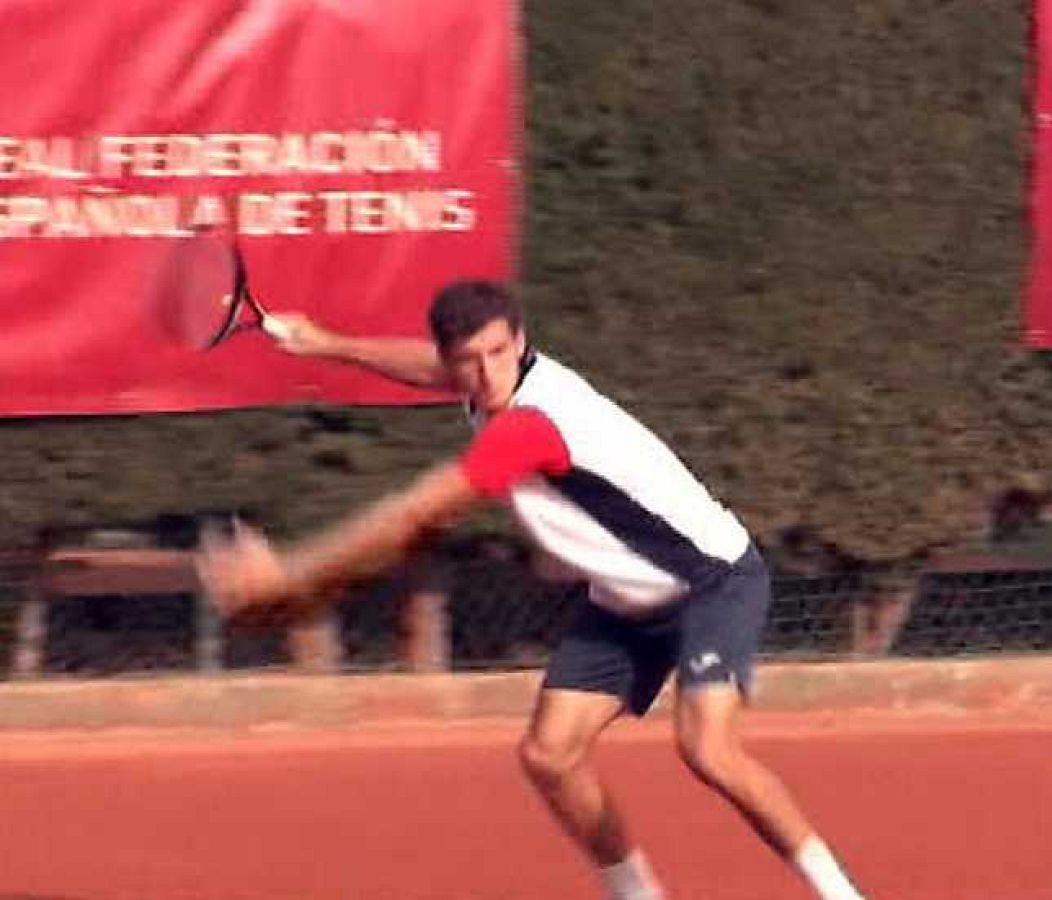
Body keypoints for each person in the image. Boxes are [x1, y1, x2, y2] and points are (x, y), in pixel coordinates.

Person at [196, 280, 867, 900]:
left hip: (711, 580)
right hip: (626, 600)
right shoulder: (486, 379)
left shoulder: (533, 423)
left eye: (498, 353)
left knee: (708, 750)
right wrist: (328, 344)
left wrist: (289, 572)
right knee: (550, 755)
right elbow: (423, 365)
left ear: (519, 341)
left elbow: (413, 512)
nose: (486, 373)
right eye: (469, 360)